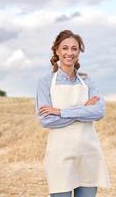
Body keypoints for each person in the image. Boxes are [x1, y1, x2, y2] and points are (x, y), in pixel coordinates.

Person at [35, 30, 110, 197]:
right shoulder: (45, 82)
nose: (70, 53)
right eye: (65, 48)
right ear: (56, 51)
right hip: (60, 154)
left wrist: (61, 111)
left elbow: (99, 111)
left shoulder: (88, 81)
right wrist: (83, 109)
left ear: (79, 52)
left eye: (74, 49)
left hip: (88, 152)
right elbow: (46, 120)